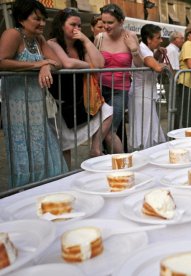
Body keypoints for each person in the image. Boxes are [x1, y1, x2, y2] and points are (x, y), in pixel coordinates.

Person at [0, 0, 67, 187]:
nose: (42, 24)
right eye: (37, 19)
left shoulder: (39, 39)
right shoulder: (12, 34)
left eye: (44, 19)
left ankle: (46, 191)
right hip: (17, 106)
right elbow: (2, 61)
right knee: (24, 151)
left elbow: (58, 62)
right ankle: (26, 193)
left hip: (37, 106)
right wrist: (38, 64)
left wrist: (46, 64)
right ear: (21, 19)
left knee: (43, 149)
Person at [47, 8, 121, 164]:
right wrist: (89, 65)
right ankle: (65, 176)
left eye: (80, 26)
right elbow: (67, 63)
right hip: (61, 97)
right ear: (61, 25)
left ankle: (95, 149)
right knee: (65, 143)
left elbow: (100, 63)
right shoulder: (52, 43)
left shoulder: (81, 44)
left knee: (107, 111)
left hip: (80, 95)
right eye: (73, 24)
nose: (77, 29)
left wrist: (86, 40)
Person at [98, 3, 142, 152]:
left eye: (110, 22)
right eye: (103, 22)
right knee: (98, 128)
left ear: (121, 21)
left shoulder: (131, 36)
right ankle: (107, 160)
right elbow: (92, 61)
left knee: (110, 130)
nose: (106, 26)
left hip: (119, 90)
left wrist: (134, 49)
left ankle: (120, 163)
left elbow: (139, 64)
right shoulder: (99, 37)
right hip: (99, 89)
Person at [129, 24, 167, 149]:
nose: (161, 40)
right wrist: (163, 65)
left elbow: (150, 63)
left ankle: (147, 152)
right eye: (158, 38)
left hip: (145, 94)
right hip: (142, 94)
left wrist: (157, 56)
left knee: (148, 126)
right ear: (149, 39)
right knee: (145, 127)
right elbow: (156, 67)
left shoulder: (146, 50)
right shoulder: (143, 50)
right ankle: (146, 153)